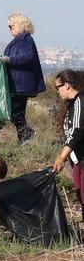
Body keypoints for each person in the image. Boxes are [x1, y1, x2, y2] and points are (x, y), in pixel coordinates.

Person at [0, 13, 45, 145]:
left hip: (21, 84)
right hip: (17, 83)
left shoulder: (25, 39)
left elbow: (28, 57)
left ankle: (26, 134)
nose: (9, 29)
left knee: (15, 112)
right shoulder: (19, 39)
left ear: (19, 25)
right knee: (16, 112)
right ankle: (23, 137)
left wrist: (9, 60)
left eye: (11, 26)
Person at [52, 69, 84, 222]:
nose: (57, 91)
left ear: (67, 85)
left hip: (81, 158)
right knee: (80, 196)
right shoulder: (71, 105)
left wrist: (61, 157)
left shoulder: (80, 102)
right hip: (77, 160)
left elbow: (77, 132)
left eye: (58, 87)